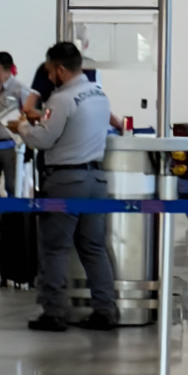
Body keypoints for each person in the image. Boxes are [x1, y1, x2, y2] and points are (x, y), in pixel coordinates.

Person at [18, 42, 119, 332]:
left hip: (66, 182)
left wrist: (23, 127)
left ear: (61, 69)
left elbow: (43, 140)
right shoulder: (99, 94)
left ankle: (54, 313)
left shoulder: (61, 100)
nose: (49, 77)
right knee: (94, 248)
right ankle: (105, 309)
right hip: (96, 181)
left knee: (54, 248)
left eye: (50, 72)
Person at [0, 52, 32, 236]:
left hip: (11, 145)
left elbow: (30, 114)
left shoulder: (19, 89)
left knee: (12, 186)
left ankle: (12, 224)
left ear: (1, 67)